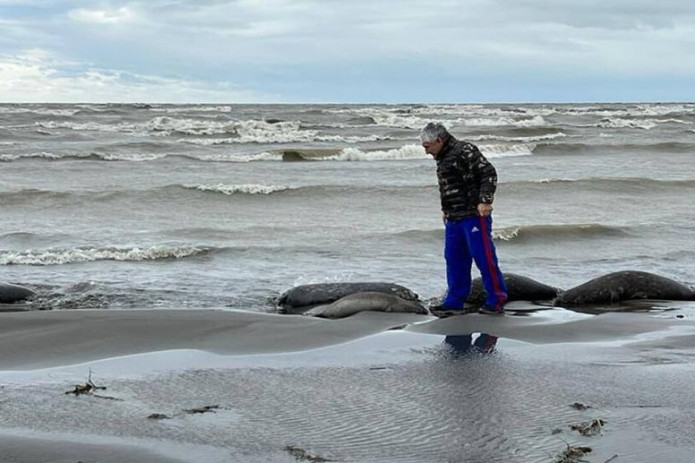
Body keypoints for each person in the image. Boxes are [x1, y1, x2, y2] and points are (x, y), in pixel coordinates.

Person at [420, 122, 507, 316]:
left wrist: (485, 201)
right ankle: (455, 300)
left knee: (484, 258)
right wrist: (446, 209)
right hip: (454, 217)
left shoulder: (465, 150)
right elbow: (448, 186)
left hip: (475, 215)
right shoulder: (441, 157)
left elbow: (488, 172)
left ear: (438, 140)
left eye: (427, 147)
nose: (427, 152)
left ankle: (496, 299)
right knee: (454, 258)